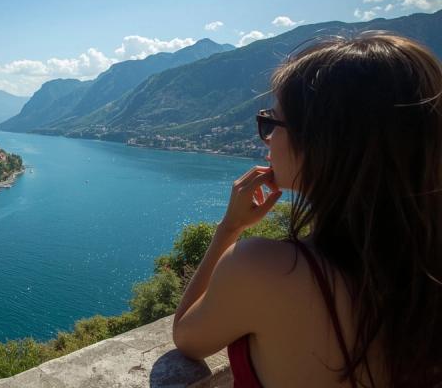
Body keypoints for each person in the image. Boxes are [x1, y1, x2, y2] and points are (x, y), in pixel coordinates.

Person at [171, 33, 442, 387]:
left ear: (324, 143)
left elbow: (187, 338)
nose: (266, 138)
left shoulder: (260, 269)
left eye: (273, 123)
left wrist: (230, 226)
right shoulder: (423, 266)